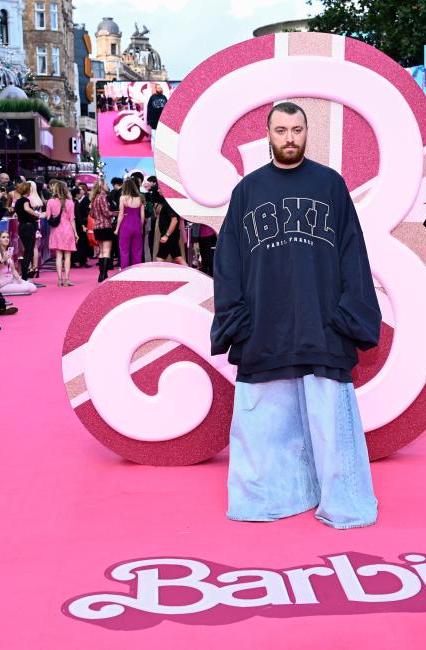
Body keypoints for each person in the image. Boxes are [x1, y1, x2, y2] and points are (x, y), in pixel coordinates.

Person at [211, 101, 381, 529]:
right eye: (281, 130)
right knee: (263, 426)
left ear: (308, 132)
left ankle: (341, 502)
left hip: (321, 326)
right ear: (268, 134)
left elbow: (353, 254)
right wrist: (236, 320)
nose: (290, 138)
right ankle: (267, 501)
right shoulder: (247, 191)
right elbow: (227, 262)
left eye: (297, 129)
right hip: (265, 326)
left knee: (329, 424)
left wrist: (348, 316)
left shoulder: (330, 185)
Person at [46, 180, 79, 286]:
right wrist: (76, 233)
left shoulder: (50, 202)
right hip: (67, 229)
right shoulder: (70, 202)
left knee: (59, 256)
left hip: (56, 231)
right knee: (68, 256)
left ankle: (59, 279)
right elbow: (72, 219)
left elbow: (48, 217)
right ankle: (67, 279)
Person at [12, 181, 44, 280]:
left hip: (22, 227)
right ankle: (25, 276)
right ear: (28, 190)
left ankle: (25, 274)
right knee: (28, 252)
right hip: (28, 227)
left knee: (27, 251)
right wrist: (36, 214)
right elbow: (27, 209)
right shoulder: (25, 200)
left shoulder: (17, 201)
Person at [0, 230, 36, 294]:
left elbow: (13, 270)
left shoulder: (8, 251)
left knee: (33, 287)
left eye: (7, 237)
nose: (6, 239)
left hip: (11, 280)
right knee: (27, 288)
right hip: (1, 284)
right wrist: (2, 260)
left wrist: (20, 280)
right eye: (3, 237)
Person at [116, 177, 144, 269]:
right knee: (137, 250)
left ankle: (125, 271)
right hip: (137, 224)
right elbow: (142, 215)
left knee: (124, 250)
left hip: (126, 224)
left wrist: (117, 229)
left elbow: (120, 214)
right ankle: (136, 271)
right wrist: (141, 227)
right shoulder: (140, 198)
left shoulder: (123, 198)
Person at [90, 180, 116, 281]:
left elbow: (91, 214)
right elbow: (107, 213)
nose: (108, 186)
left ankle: (102, 274)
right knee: (107, 251)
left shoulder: (94, 199)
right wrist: (117, 213)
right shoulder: (102, 197)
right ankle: (103, 274)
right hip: (106, 226)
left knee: (101, 251)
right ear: (101, 186)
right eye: (106, 184)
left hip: (97, 227)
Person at [154, 197, 185, 264]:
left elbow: (174, 220)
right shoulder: (168, 202)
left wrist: (166, 235)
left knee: (160, 258)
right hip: (170, 235)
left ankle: (159, 274)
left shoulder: (169, 203)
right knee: (177, 258)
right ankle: (189, 273)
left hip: (169, 236)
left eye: (159, 188)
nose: (158, 190)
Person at [27, 180, 45, 277]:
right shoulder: (38, 199)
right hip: (38, 225)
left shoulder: (29, 199)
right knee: (35, 248)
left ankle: (30, 268)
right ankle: (35, 268)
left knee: (29, 247)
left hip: (31, 224)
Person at [71, 184, 91, 268]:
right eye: (80, 192)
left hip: (77, 225)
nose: (81, 193)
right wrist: (82, 225)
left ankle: (78, 261)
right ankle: (80, 261)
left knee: (80, 243)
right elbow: (78, 216)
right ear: (77, 194)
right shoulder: (75, 203)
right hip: (79, 225)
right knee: (82, 243)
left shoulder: (73, 202)